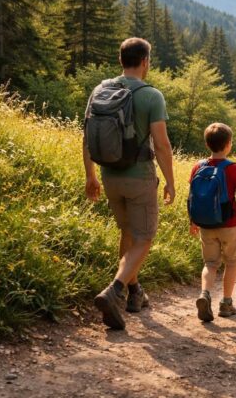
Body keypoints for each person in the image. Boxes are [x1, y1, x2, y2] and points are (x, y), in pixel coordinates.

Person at [83, 37, 175, 330]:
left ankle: (135, 293)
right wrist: (171, 181)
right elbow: (161, 145)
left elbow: (88, 137)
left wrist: (90, 176)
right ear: (146, 61)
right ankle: (116, 289)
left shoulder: (101, 90)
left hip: (110, 175)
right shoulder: (151, 96)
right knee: (144, 238)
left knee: (127, 233)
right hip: (139, 177)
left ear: (121, 60)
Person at [188, 123, 236, 322]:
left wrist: (193, 221)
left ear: (207, 144)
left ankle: (205, 294)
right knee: (231, 263)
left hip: (206, 225)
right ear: (228, 145)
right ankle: (226, 303)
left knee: (210, 264)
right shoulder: (233, 169)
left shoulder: (197, 167)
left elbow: (193, 196)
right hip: (229, 224)